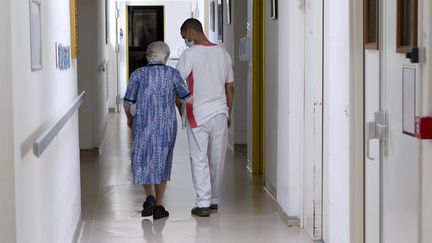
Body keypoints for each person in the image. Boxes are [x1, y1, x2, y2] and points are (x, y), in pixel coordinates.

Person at [123, 41, 193, 220]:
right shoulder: (173, 74)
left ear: (147, 56)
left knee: (143, 158)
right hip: (166, 126)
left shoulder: (137, 74)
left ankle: (149, 198)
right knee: (163, 160)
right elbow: (188, 98)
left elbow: (127, 102)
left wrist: (130, 119)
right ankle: (159, 206)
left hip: (142, 124)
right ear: (167, 57)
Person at [176, 18, 234, 217]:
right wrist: (229, 112)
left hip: (197, 114)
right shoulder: (223, 54)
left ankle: (203, 203)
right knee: (217, 158)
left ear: (191, 31)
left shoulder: (189, 54)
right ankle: (214, 199)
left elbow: (177, 84)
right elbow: (230, 87)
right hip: (220, 112)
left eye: (185, 36)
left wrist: (180, 108)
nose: (185, 40)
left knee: (199, 158)